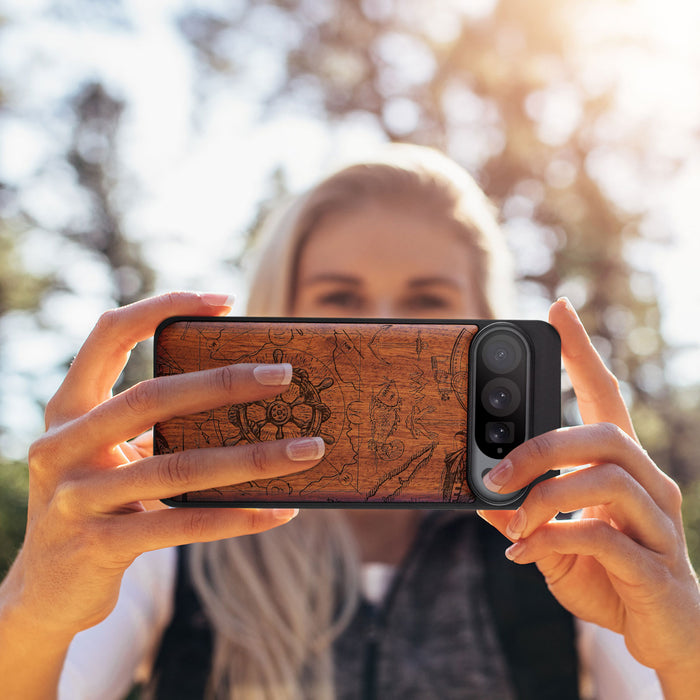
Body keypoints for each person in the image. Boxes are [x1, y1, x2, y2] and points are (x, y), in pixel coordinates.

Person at [0, 145, 698, 700]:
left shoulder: (567, 543)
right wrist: (34, 607)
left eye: (427, 303)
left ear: (487, 323)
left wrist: (685, 648)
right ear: (280, 314)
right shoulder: (170, 535)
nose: (382, 330)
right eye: (339, 299)